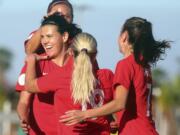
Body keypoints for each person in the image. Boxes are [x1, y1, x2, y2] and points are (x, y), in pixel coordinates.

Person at [59, 17, 171, 135]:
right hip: (149, 129)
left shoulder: (126, 64)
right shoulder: (144, 65)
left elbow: (119, 103)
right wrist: (117, 120)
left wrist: (84, 114)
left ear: (124, 36)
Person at [25, 32, 115, 135]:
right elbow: (120, 103)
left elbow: (29, 86)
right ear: (95, 54)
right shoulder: (107, 76)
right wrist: (110, 117)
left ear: (71, 52)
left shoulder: (61, 76)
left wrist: (31, 60)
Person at [16, 12, 81, 135]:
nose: (45, 41)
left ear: (65, 36)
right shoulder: (34, 63)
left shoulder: (80, 63)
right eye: (42, 37)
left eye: (49, 36)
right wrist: (23, 117)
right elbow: (23, 102)